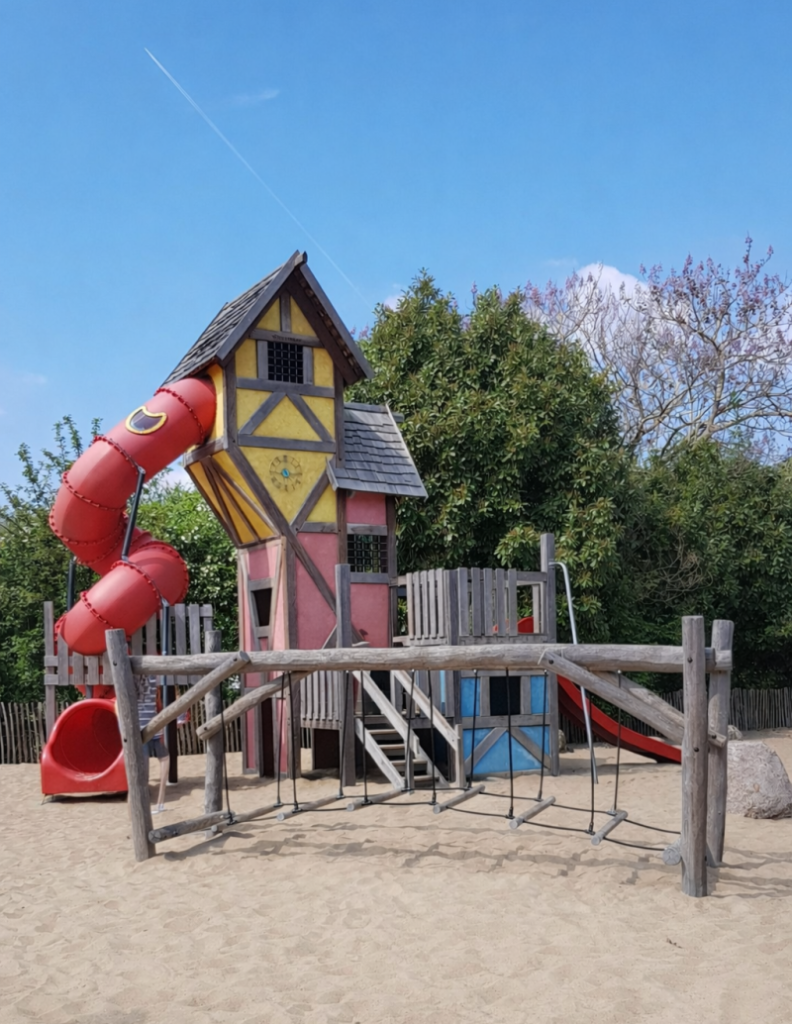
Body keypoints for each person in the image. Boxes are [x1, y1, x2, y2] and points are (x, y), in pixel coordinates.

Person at [135, 674, 170, 813]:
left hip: (141, 730)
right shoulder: (153, 681)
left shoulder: (131, 683)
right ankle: (159, 803)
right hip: (152, 728)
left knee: (143, 771)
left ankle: (145, 806)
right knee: (165, 760)